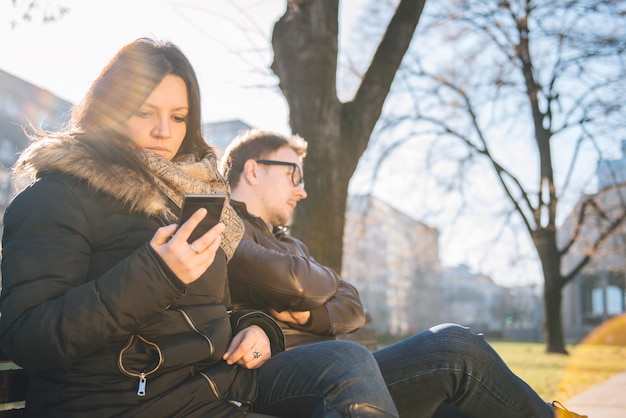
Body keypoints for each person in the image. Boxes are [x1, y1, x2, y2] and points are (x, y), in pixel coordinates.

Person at [0, 38, 400, 418]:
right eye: (145, 112)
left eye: (178, 117)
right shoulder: (55, 196)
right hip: (131, 405)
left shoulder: (186, 197)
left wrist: (259, 328)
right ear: (110, 109)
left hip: (217, 390)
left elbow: (209, 312)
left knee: (440, 351)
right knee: (350, 362)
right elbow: (30, 337)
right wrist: (157, 274)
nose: (164, 132)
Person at [220, 129, 588, 418]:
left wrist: (315, 307)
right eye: (293, 175)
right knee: (454, 346)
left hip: (348, 364)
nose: (301, 191)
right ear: (253, 170)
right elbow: (300, 284)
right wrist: (321, 284)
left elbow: (353, 306)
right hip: (301, 377)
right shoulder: (229, 230)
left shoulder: (292, 244)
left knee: (463, 403)